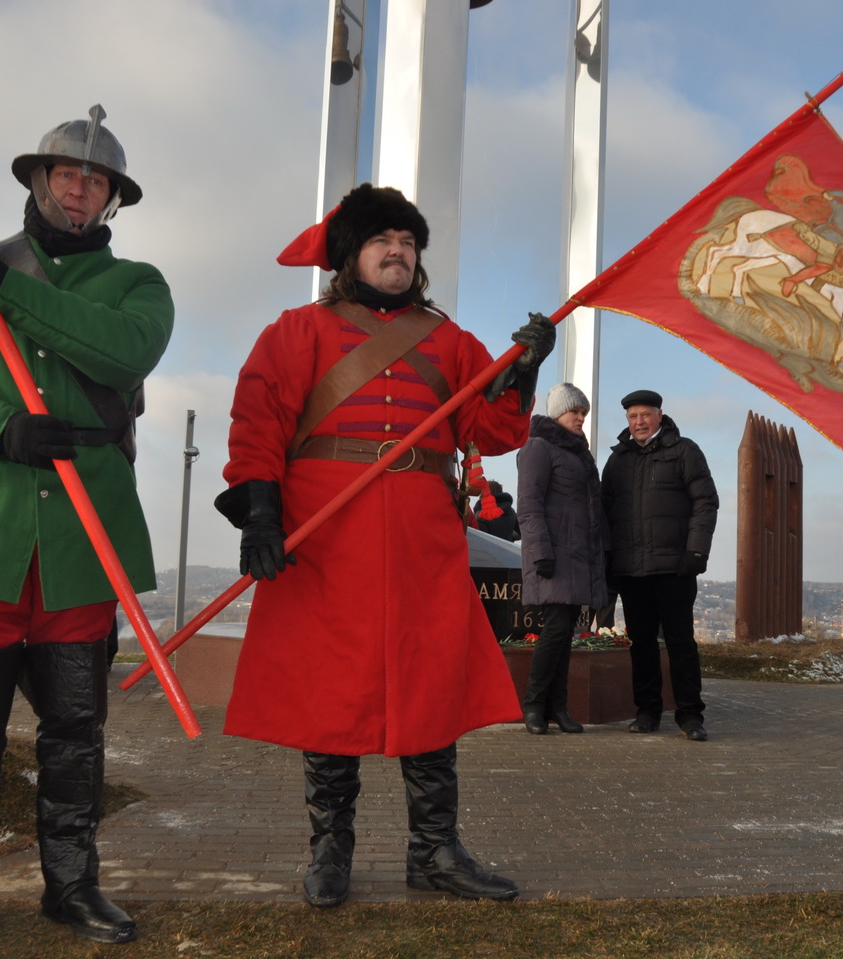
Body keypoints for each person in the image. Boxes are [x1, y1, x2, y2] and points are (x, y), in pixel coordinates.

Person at [217, 183, 553, 908]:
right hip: (325, 535)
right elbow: (258, 422)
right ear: (349, 256)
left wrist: (521, 373)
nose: (397, 250)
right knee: (330, 689)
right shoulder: (295, 331)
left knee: (429, 682)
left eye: (406, 241)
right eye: (381, 240)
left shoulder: (452, 340)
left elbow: (491, 432)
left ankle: (434, 851)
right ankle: (330, 850)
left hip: (419, 538)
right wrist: (261, 514)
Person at [0, 107, 172, 958]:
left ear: (111, 200)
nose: (80, 188)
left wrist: (5, 290)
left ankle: (72, 882)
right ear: (39, 182)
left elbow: (124, 353)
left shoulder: (139, 282)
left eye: (97, 181)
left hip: (84, 532)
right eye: (67, 174)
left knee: (76, 730)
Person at [601, 390, 718, 742]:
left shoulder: (684, 451)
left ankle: (690, 714)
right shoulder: (618, 459)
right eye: (633, 416)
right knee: (641, 644)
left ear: (660, 415)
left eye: (645, 415)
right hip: (631, 570)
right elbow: (605, 513)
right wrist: (608, 559)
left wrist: (696, 553)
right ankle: (647, 711)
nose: (639, 422)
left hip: (674, 567)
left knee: (681, 642)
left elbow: (706, 502)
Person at [516, 383, 608, 735]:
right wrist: (540, 553)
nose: (581, 417)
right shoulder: (538, 448)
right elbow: (529, 505)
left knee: (565, 632)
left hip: (577, 556)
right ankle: (534, 706)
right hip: (552, 556)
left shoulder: (577, 454)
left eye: (583, 412)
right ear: (558, 413)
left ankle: (558, 706)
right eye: (575, 411)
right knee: (555, 632)